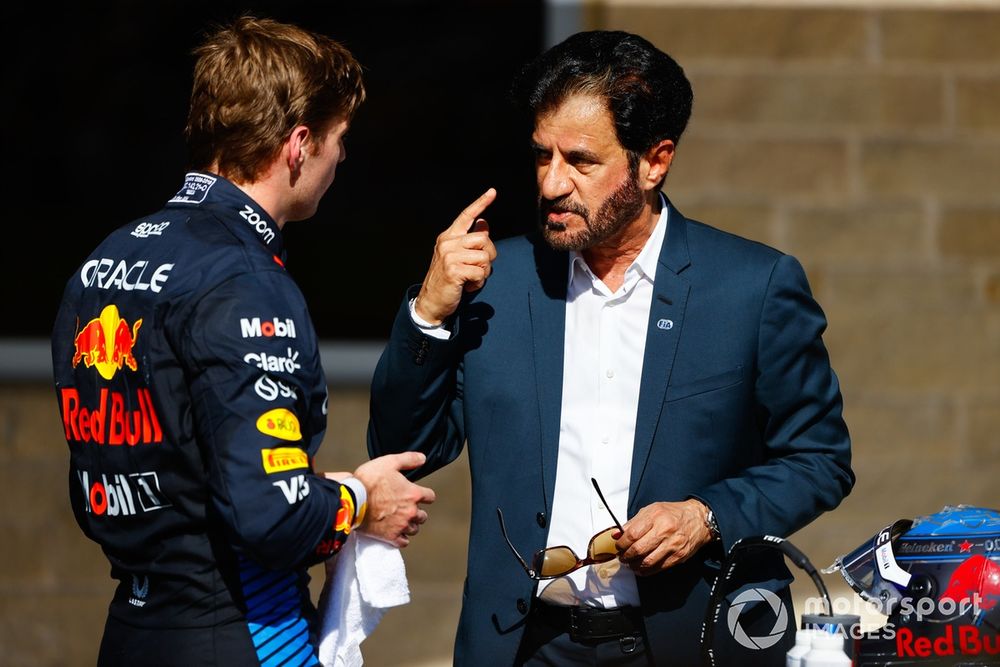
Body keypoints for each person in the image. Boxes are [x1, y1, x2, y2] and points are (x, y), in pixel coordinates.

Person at [368, 30, 854, 666]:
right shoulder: (498, 284)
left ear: (654, 162)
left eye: (581, 161)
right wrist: (428, 313)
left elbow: (820, 460)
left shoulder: (752, 288)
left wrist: (707, 516)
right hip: (524, 646)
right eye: (542, 156)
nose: (551, 184)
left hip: (694, 641)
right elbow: (406, 448)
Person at [51, 17, 436, 667]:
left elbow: (164, 478)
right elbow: (272, 517)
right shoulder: (245, 280)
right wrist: (364, 498)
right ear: (299, 144)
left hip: (132, 632)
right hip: (240, 632)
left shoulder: (102, 261)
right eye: (339, 140)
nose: (341, 158)